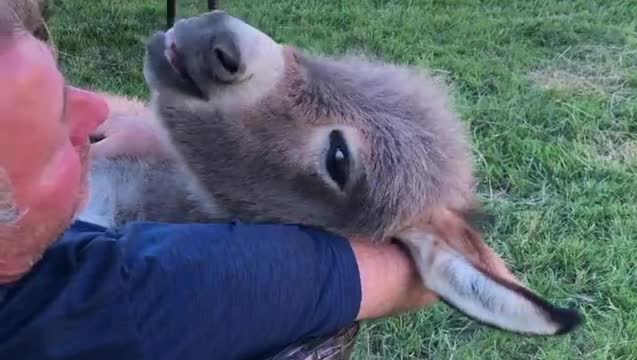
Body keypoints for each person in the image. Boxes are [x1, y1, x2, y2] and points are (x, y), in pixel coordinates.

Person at [0, 8, 439, 360]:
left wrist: (169, 139)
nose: (95, 111)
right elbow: (131, 290)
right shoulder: (71, 302)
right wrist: (426, 260)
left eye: (64, 86)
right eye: (51, 138)